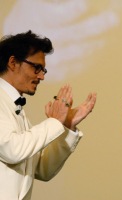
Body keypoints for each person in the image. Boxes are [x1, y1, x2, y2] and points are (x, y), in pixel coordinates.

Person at [0, 30, 96, 200]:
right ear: (13, 63)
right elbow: (11, 149)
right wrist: (54, 122)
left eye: (43, 70)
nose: (42, 76)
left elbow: (43, 170)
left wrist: (66, 125)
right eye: (36, 68)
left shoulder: (17, 110)